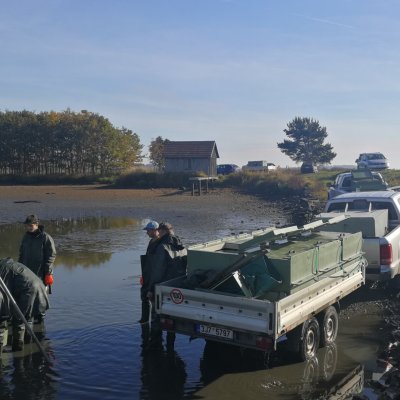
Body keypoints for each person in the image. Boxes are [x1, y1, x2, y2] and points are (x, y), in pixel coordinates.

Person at [145, 222, 187, 352]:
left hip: (161, 286)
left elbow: (158, 270)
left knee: (157, 316)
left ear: (162, 231)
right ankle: (170, 347)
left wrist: (151, 289)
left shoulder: (162, 247)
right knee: (171, 317)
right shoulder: (181, 245)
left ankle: (155, 346)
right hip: (177, 286)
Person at [0, 257, 50, 353]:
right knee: (26, 317)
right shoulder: (9, 265)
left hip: (29, 289)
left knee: (19, 318)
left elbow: (4, 295)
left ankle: (18, 348)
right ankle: (26, 346)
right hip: (38, 285)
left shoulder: (2, 270)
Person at [18, 214, 56, 290]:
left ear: (37, 224)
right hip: (26, 274)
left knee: (40, 298)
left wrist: (48, 273)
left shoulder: (45, 237)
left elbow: (51, 256)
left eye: (31, 225)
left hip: (40, 275)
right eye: (27, 226)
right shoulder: (26, 237)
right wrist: (18, 269)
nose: (28, 228)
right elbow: (21, 254)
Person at [139, 220, 160, 325]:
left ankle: (154, 322)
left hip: (154, 277)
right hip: (148, 275)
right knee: (144, 297)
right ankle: (144, 320)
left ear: (155, 230)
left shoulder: (159, 243)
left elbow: (157, 265)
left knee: (153, 299)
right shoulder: (151, 241)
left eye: (148, 230)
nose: (147, 232)